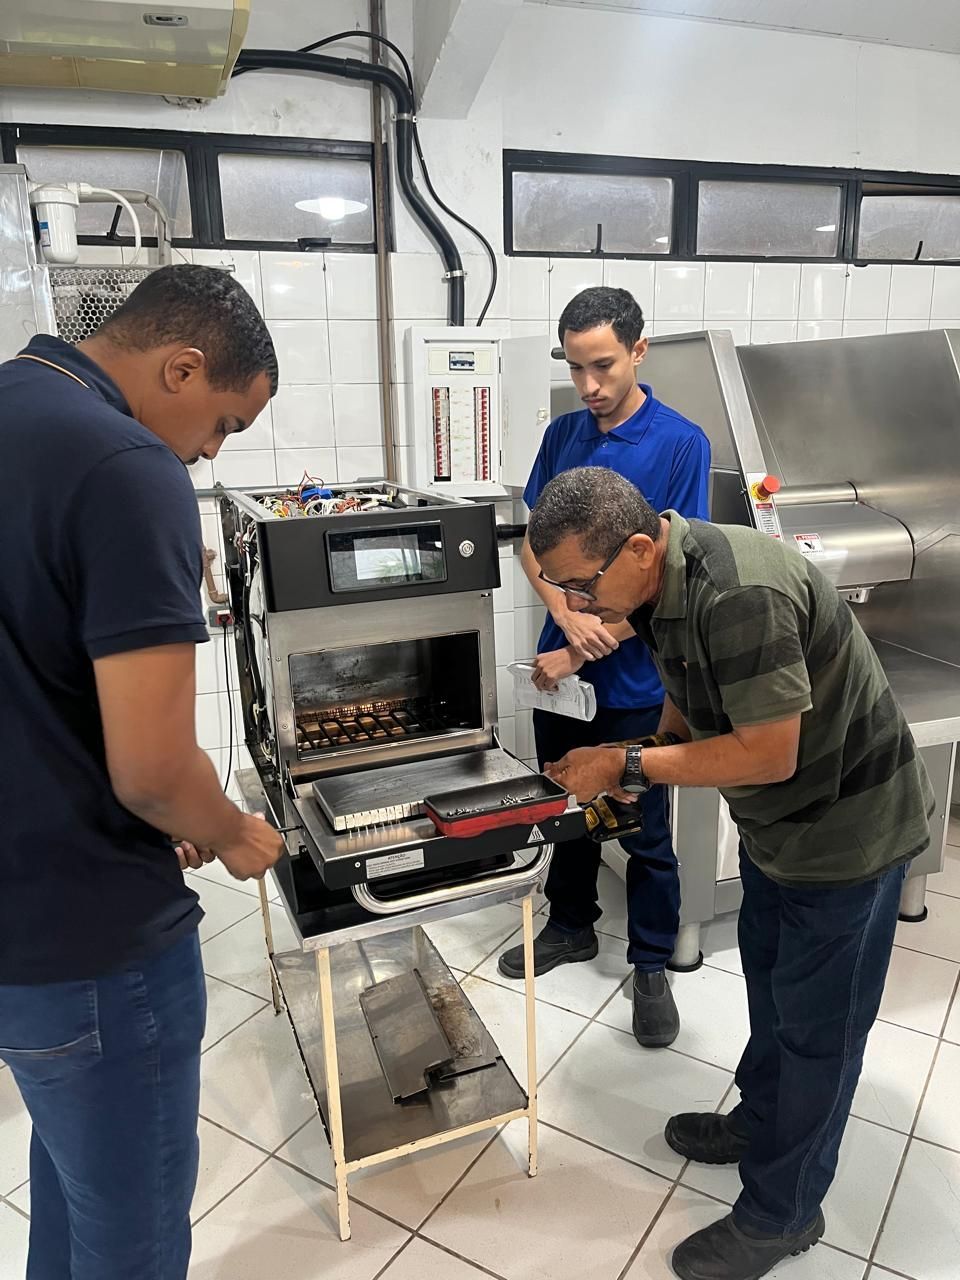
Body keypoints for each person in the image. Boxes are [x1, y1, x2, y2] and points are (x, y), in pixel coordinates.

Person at [528, 467, 933, 1280]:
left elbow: (767, 751)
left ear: (639, 548)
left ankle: (783, 1213)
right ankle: (760, 1121)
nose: (575, 603)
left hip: (847, 834)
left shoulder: (739, 593)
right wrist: (640, 773)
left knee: (821, 1032)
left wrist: (623, 759)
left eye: (580, 584)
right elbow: (686, 693)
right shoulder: (656, 586)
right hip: (781, 834)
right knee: (774, 994)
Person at [0, 265, 286, 1280]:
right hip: (93, 938)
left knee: (72, 1182)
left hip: (17, 927)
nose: (209, 454)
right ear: (183, 364)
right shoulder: (127, 466)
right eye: (222, 424)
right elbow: (156, 773)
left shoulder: (14, 398)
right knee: (135, 1232)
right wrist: (235, 828)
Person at [497, 287, 710, 1049]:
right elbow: (531, 538)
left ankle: (652, 962)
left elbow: (670, 570)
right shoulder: (563, 436)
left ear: (638, 351)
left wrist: (590, 637)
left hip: (640, 678)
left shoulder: (681, 445)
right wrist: (562, 611)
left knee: (643, 822)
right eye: (576, 367)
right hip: (566, 672)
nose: (589, 385)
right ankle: (572, 925)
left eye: (604, 366)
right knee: (565, 802)